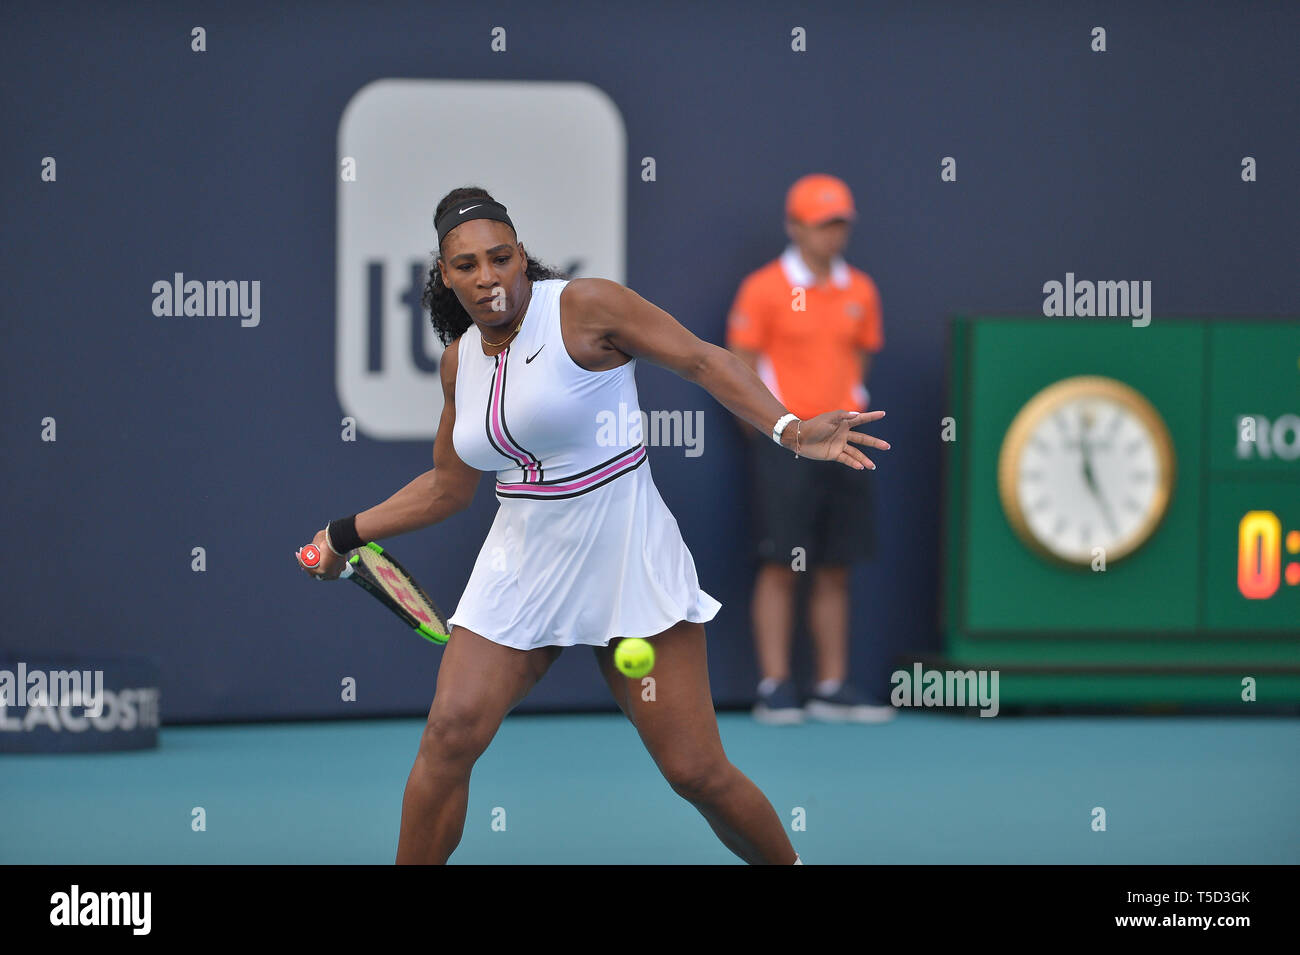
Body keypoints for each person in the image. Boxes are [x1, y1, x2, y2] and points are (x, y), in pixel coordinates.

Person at [296, 186, 889, 864]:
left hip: (625, 551)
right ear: (445, 274)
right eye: (467, 265)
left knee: (695, 769)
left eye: (501, 256)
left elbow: (703, 358)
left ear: (523, 257)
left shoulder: (584, 307)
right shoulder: (460, 361)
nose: (487, 276)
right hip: (521, 562)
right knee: (451, 731)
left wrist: (788, 428)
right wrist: (343, 533)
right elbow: (447, 488)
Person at [725, 173, 894, 725]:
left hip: (848, 439)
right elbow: (739, 369)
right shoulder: (763, 289)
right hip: (787, 443)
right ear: (795, 227)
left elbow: (859, 362)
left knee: (836, 565)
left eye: (840, 223)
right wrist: (782, 432)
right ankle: (775, 686)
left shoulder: (861, 290)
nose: (834, 235)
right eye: (823, 224)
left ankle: (831, 685)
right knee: (780, 563)